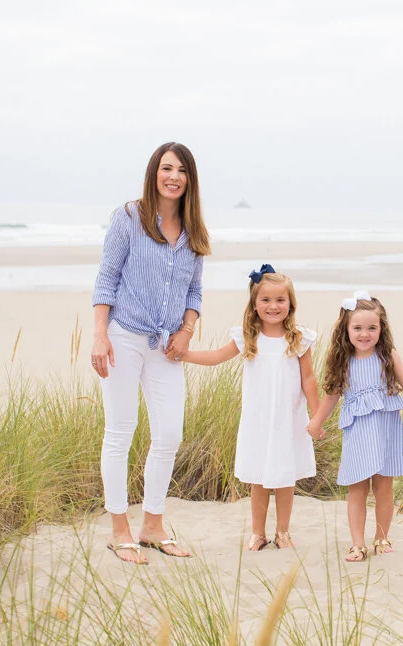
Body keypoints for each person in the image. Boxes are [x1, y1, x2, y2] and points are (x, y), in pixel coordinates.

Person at [91, 141, 210, 564]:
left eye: (181, 171)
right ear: (154, 172)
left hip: (166, 347)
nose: (173, 176)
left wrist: (187, 330)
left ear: (189, 179)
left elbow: (194, 290)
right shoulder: (129, 219)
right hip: (123, 336)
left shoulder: (194, 230)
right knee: (120, 432)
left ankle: (153, 525)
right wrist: (100, 335)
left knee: (170, 434)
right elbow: (107, 278)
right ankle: (119, 528)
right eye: (167, 168)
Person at [183, 265, 319, 551]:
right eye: (266, 300)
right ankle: (258, 533)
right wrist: (185, 355)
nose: (273, 306)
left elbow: (309, 378)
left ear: (290, 303)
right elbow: (216, 356)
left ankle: (283, 532)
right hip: (258, 420)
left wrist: (317, 416)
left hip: (288, 419)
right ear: (255, 304)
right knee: (259, 478)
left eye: (280, 300)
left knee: (285, 478)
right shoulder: (247, 337)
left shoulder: (298, 338)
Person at [307, 292, 403, 562]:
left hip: (386, 432)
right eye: (358, 328)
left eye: (372, 328)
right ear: (346, 330)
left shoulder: (388, 356)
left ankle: (382, 537)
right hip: (359, 434)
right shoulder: (344, 362)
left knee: (384, 487)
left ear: (381, 329)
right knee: (358, 487)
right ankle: (358, 544)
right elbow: (331, 397)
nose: (365, 334)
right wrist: (316, 422)